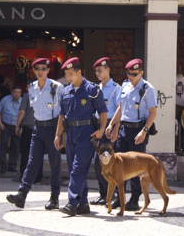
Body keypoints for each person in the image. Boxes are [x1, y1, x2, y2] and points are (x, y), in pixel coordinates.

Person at [6, 59, 64, 210]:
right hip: (37, 128)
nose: (40, 71)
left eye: (43, 68)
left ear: (48, 70)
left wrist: (60, 133)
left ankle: (55, 197)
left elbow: (63, 111)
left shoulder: (57, 87)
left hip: (53, 127)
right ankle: (22, 194)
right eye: (37, 68)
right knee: (32, 162)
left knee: (55, 163)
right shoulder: (31, 87)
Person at [53, 57, 107, 216]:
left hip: (87, 133)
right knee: (72, 169)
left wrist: (102, 129)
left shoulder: (92, 90)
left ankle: (72, 202)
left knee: (78, 168)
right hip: (70, 133)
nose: (68, 77)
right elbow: (62, 116)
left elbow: (103, 111)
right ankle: (83, 203)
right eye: (66, 74)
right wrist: (58, 135)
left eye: (71, 74)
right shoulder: (65, 91)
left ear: (79, 71)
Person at [105, 59, 157, 211]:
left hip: (138, 130)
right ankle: (119, 198)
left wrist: (144, 131)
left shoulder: (148, 89)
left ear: (141, 73)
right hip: (124, 130)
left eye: (134, 74)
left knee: (135, 167)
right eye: (128, 73)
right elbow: (121, 108)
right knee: (118, 163)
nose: (130, 77)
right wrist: (111, 124)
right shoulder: (125, 86)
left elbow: (153, 113)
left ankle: (134, 199)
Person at [90, 57, 121, 206]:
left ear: (108, 70)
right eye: (96, 70)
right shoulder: (96, 88)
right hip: (97, 125)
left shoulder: (116, 88)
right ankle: (103, 194)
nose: (97, 73)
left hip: (109, 126)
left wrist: (115, 129)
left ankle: (111, 193)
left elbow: (120, 111)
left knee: (104, 161)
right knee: (97, 163)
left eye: (100, 70)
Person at [17, 91, 43, 182]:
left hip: (28, 127)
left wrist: (17, 125)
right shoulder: (44, 94)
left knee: (25, 153)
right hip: (41, 127)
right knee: (39, 153)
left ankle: (24, 177)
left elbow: (21, 111)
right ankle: (38, 177)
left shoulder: (27, 95)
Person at [0, 86, 23, 173]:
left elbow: (25, 116)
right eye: (15, 92)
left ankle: (12, 165)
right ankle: (3, 163)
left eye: (19, 92)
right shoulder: (5, 99)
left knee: (15, 146)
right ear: (11, 92)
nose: (17, 94)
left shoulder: (22, 101)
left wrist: (21, 127)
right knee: (4, 142)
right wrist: (0, 123)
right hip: (5, 125)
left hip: (17, 126)